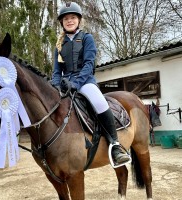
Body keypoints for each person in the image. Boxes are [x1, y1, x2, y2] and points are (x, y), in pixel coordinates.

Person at [51, 2, 130, 167]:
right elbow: (57, 72)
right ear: (62, 22)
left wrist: (76, 83)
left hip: (85, 82)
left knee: (99, 102)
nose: (69, 20)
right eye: (66, 18)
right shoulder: (58, 45)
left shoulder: (87, 38)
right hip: (66, 84)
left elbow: (88, 65)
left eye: (73, 17)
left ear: (79, 20)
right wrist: (56, 87)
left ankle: (115, 145)